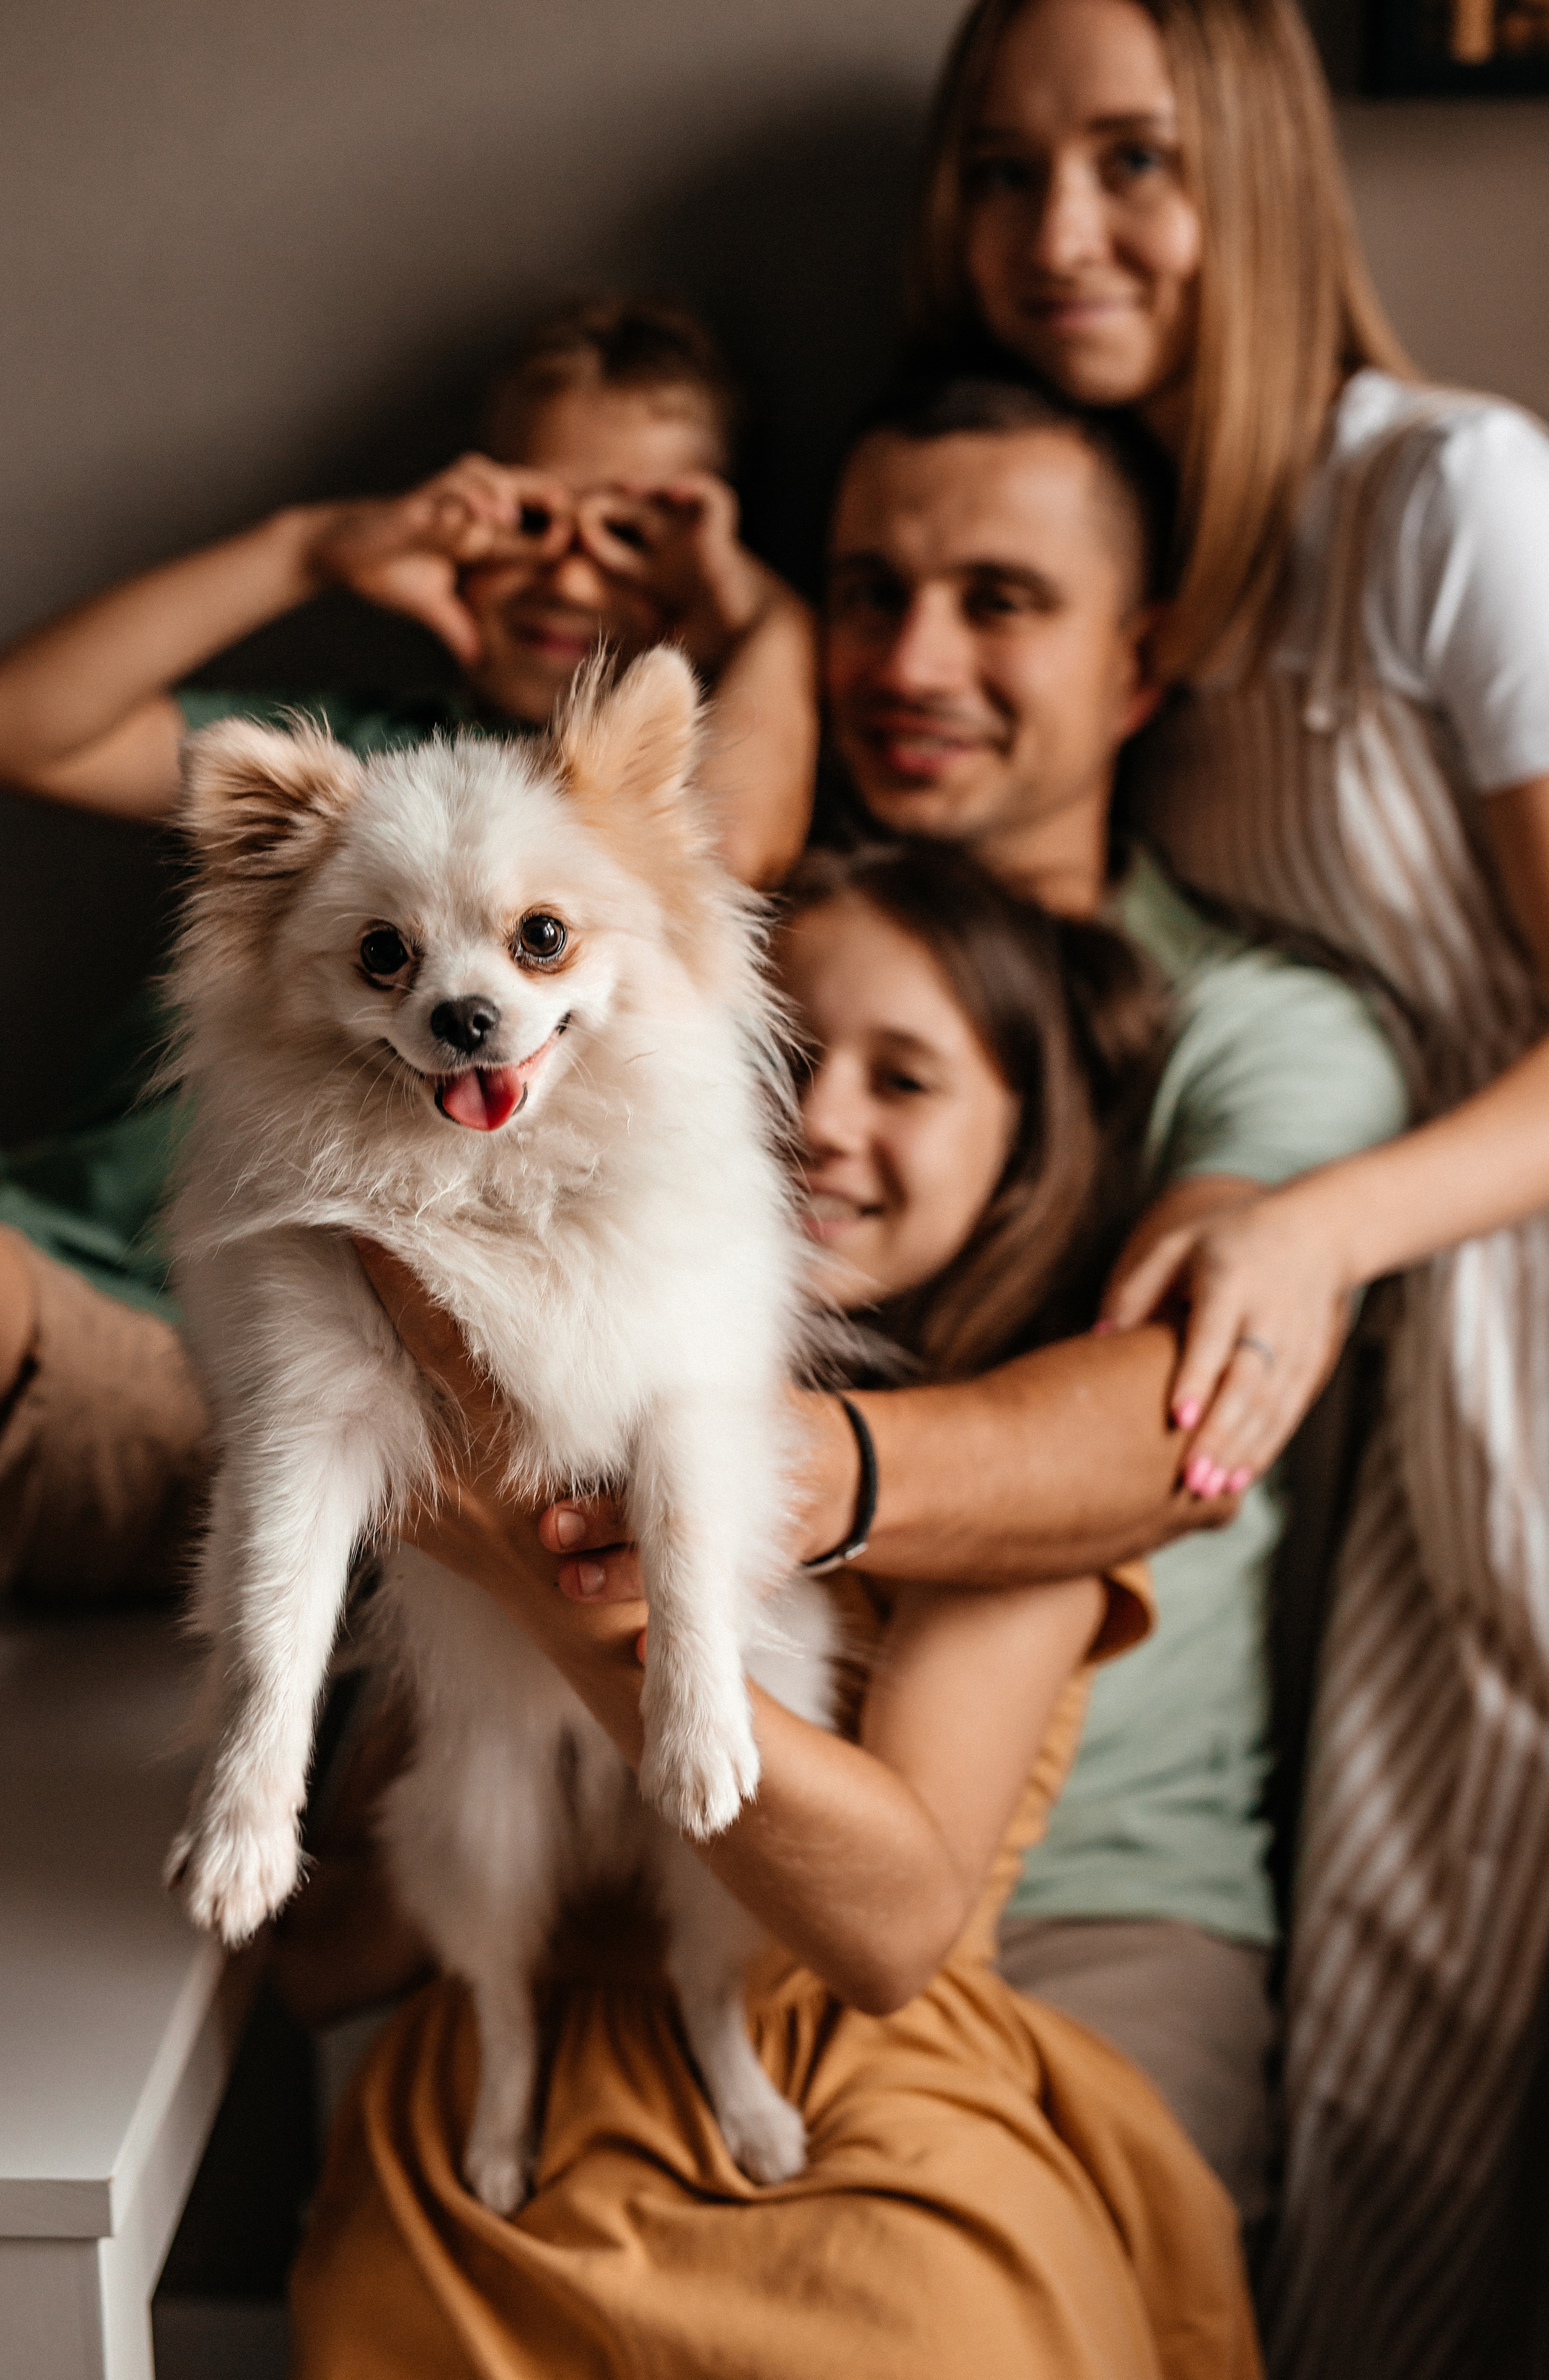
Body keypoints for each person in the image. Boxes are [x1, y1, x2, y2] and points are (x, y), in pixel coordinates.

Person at [481, 371, 1409, 2230]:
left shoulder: (1259, 1030)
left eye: (1000, 599)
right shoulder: (730, 967)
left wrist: (741, 1482)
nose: (912, 658)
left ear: (1141, 664)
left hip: (1090, 1899)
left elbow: (1171, 1414)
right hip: (668, 1840)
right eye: (869, 592)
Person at [909, 2, 1549, 2368]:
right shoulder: (1111, 550)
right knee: (1390, 1995)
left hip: (1466, 1261)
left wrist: (1318, 1219)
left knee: (1477, 1954)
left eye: (1133, 161)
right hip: (1344, 1331)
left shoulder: (1441, 499)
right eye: (1000, 168)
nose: (1055, 234)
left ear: (1261, 172)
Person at [288, 837, 1263, 2380]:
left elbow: (888, 1937)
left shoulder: (1021, 1480)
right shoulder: (488, 1410)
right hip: (502, 2116)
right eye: (787, 1052)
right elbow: (331, 1945)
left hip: (848, 2088)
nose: (818, 1122)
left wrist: (556, 1589)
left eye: (907, 1082)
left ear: (1019, 1147)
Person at [0, 296, 815, 1610]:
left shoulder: (632, 835)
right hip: (30, 1232)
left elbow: (738, 834)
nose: (568, 568)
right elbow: (15, 725)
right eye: (530, 515)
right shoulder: (336, 775)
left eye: (633, 529)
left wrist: (765, 618)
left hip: (180, 1335)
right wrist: (315, 548)